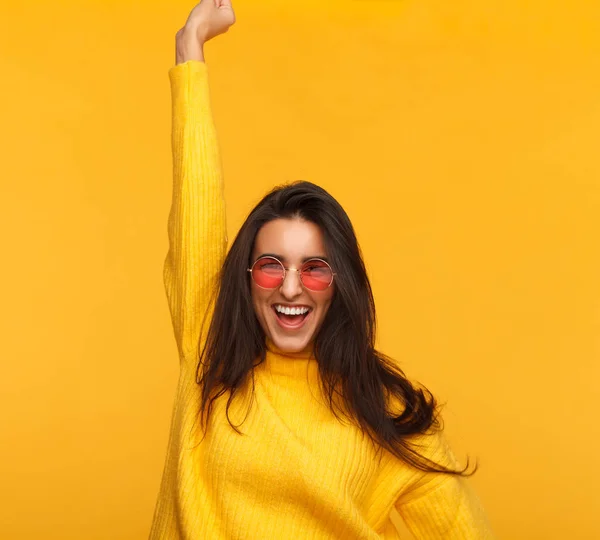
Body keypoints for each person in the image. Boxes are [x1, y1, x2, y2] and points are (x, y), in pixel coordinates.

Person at [150, 1, 495, 538]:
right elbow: (196, 204)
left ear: (341, 284)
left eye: (315, 268)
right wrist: (189, 50)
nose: (291, 286)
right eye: (271, 265)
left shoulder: (385, 412)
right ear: (245, 278)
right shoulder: (208, 350)